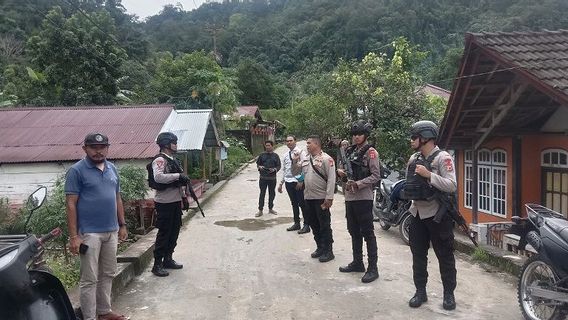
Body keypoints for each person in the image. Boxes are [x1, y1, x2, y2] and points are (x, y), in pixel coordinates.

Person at [65, 133, 128, 320]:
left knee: (108, 273)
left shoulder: (112, 169)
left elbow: (117, 198)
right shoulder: (76, 171)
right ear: (85, 149)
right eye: (93, 147)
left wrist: (122, 225)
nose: (98, 151)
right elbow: (70, 204)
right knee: (89, 278)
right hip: (89, 233)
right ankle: (89, 317)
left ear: (107, 148)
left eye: (102, 147)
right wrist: (74, 236)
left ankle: (104, 311)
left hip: (112, 230)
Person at [404, 120, 458, 310]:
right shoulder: (413, 158)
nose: (411, 141)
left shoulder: (443, 158)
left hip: (437, 214)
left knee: (444, 256)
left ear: (425, 137)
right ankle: (420, 291)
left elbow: (452, 185)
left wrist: (429, 175)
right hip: (417, 212)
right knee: (418, 255)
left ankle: (449, 294)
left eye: (414, 137)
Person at [337, 120, 381, 283]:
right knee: (353, 231)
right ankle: (357, 262)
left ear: (366, 135)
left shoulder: (371, 152)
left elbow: (376, 175)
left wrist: (359, 183)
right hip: (349, 197)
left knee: (368, 233)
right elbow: (346, 173)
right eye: (354, 134)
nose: (356, 137)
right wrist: (342, 174)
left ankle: (373, 268)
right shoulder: (348, 151)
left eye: (359, 134)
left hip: (363, 197)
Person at [150, 132, 190, 277]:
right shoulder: (160, 160)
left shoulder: (173, 160)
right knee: (164, 234)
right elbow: (158, 177)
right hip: (164, 203)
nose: (176, 145)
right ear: (167, 144)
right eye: (174, 142)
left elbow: (179, 184)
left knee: (174, 232)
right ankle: (157, 264)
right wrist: (178, 176)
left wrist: (184, 198)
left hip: (175, 201)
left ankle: (168, 259)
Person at [292, 135, 336, 262]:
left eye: (309, 143)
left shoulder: (327, 159)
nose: (307, 145)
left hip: (321, 197)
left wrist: (329, 197)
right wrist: (295, 161)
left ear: (316, 144)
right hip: (308, 197)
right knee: (313, 224)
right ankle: (320, 247)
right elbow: (296, 173)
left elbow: (332, 179)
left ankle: (328, 250)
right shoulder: (306, 159)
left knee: (324, 225)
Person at [278, 135, 310, 234]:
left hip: (298, 182)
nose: (289, 142)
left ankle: (306, 225)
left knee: (302, 203)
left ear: (295, 141)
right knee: (294, 203)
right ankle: (297, 223)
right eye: (287, 141)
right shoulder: (285, 155)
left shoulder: (301, 152)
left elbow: (305, 167)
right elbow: (285, 170)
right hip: (288, 182)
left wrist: (301, 180)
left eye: (291, 140)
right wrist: (281, 183)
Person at [256, 140, 281, 217]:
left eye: (269, 145)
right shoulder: (262, 155)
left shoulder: (276, 156)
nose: (267, 147)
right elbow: (258, 164)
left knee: (272, 193)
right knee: (262, 193)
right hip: (263, 178)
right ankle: (260, 210)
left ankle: (270, 208)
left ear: (272, 146)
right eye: (266, 145)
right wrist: (260, 167)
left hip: (272, 178)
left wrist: (274, 169)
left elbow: (279, 166)